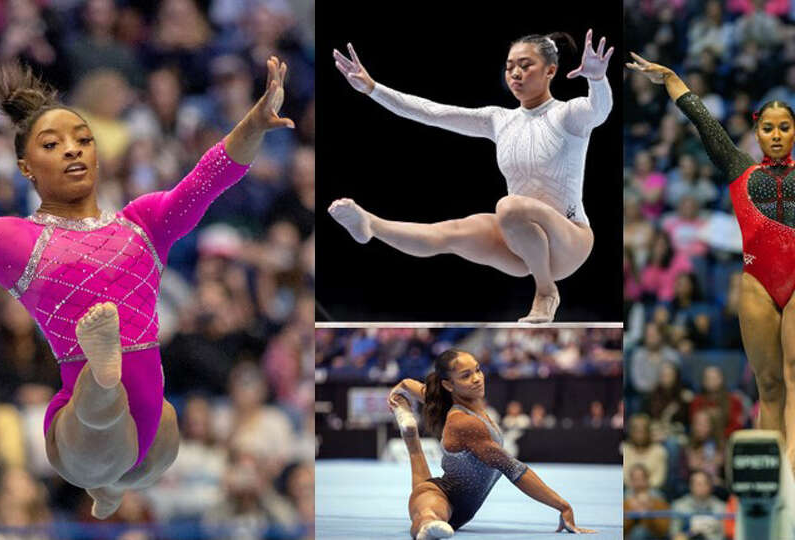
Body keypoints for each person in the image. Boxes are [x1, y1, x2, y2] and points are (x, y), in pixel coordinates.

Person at [0, 57, 293, 518]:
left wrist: (254, 122)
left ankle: (110, 485)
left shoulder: (144, 223)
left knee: (149, 446)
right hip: (81, 429)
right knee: (104, 414)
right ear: (26, 166)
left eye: (83, 140)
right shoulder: (15, 241)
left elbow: (208, 178)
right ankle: (101, 376)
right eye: (52, 144)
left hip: (151, 439)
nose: (72, 150)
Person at [329, 30, 614, 322]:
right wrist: (373, 88)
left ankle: (545, 291)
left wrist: (597, 79)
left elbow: (599, 109)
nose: (515, 72)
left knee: (508, 206)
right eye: (509, 66)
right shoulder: (499, 120)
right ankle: (372, 225)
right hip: (520, 245)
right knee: (450, 233)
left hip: (569, 241)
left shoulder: (569, 116)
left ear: (550, 70)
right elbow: (431, 112)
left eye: (525, 65)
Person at [627, 52, 795, 462]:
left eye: (784, 128)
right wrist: (671, 79)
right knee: (768, 384)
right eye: (768, 128)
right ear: (757, 134)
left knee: (794, 376)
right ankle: (772, 470)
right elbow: (705, 123)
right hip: (756, 283)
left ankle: (792, 467)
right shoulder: (740, 170)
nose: (775, 135)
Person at [387, 349, 594, 539]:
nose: (477, 379)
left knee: (418, 460)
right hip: (440, 494)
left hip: (457, 509)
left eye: (477, 370)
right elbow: (515, 470)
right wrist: (563, 506)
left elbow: (423, 391)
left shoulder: (459, 402)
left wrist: (401, 387)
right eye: (466, 376)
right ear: (449, 385)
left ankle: (409, 431)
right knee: (429, 516)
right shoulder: (464, 422)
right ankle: (427, 523)